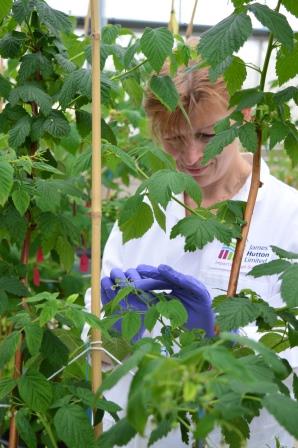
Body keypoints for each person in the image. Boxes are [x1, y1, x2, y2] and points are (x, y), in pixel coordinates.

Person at [85, 63, 298, 447]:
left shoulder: (289, 214)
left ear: (244, 119)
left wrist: (225, 336)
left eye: (207, 135)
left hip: (248, 433)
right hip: (150, 432)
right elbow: (96, 320)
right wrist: (109, 332)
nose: (191, 156)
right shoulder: (147, 208)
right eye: (174, 139)